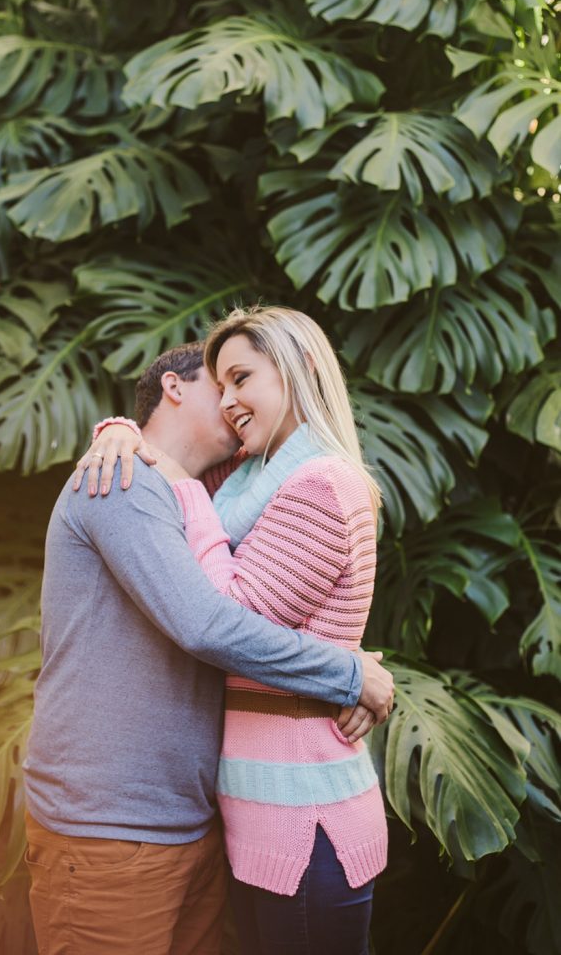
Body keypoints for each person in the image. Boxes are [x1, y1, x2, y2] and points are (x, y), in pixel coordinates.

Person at [23, 338, 394, 955]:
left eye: (240, 381)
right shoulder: (120, 479)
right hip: (111, 828)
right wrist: (348, 675)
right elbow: (207, 625)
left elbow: (295, 584)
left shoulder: (215, 496)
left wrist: (350, 661)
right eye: (219, 386)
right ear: (174, 387)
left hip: (191, 827)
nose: (232, 400)